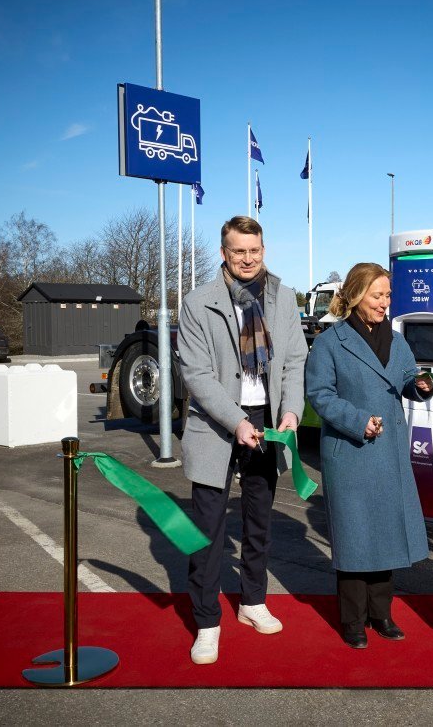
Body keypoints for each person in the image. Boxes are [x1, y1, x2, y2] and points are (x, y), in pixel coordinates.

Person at [177, 215, 308, 665]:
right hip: (218, 422)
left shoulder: (283, 298)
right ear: (223, 253)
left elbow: (294, 361)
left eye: (254, 250)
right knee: (208, 531)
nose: (248, 259)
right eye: (238, 251)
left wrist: (291, 411)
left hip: (268, 419)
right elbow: (196, 374)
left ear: (263, 250)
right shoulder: (198, 303)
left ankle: (253, 602)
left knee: (259, 522)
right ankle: (207, 622)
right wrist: (235, 422)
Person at [304, 263, 433, 649]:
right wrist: (358, 421)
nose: (385, 303)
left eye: (388, 296)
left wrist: (422, 386)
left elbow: (409, 380)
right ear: (357, 296)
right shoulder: (331, 342)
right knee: (355, 538)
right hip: (352, 452)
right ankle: (353, 621)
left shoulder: (397, 340)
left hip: (390, 452)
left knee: (387, 535)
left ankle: (382, 614)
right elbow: (320, 395)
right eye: (378, 296)